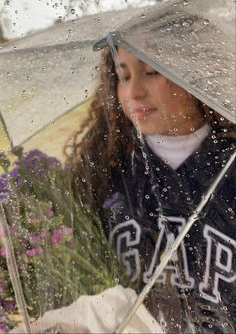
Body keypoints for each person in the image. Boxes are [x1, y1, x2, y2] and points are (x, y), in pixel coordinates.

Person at [66, 45, 236, 333]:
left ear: (195, 75)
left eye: (152, 72)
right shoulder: (101, 177)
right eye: (123, 76)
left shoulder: (229, 165)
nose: (133, 93)